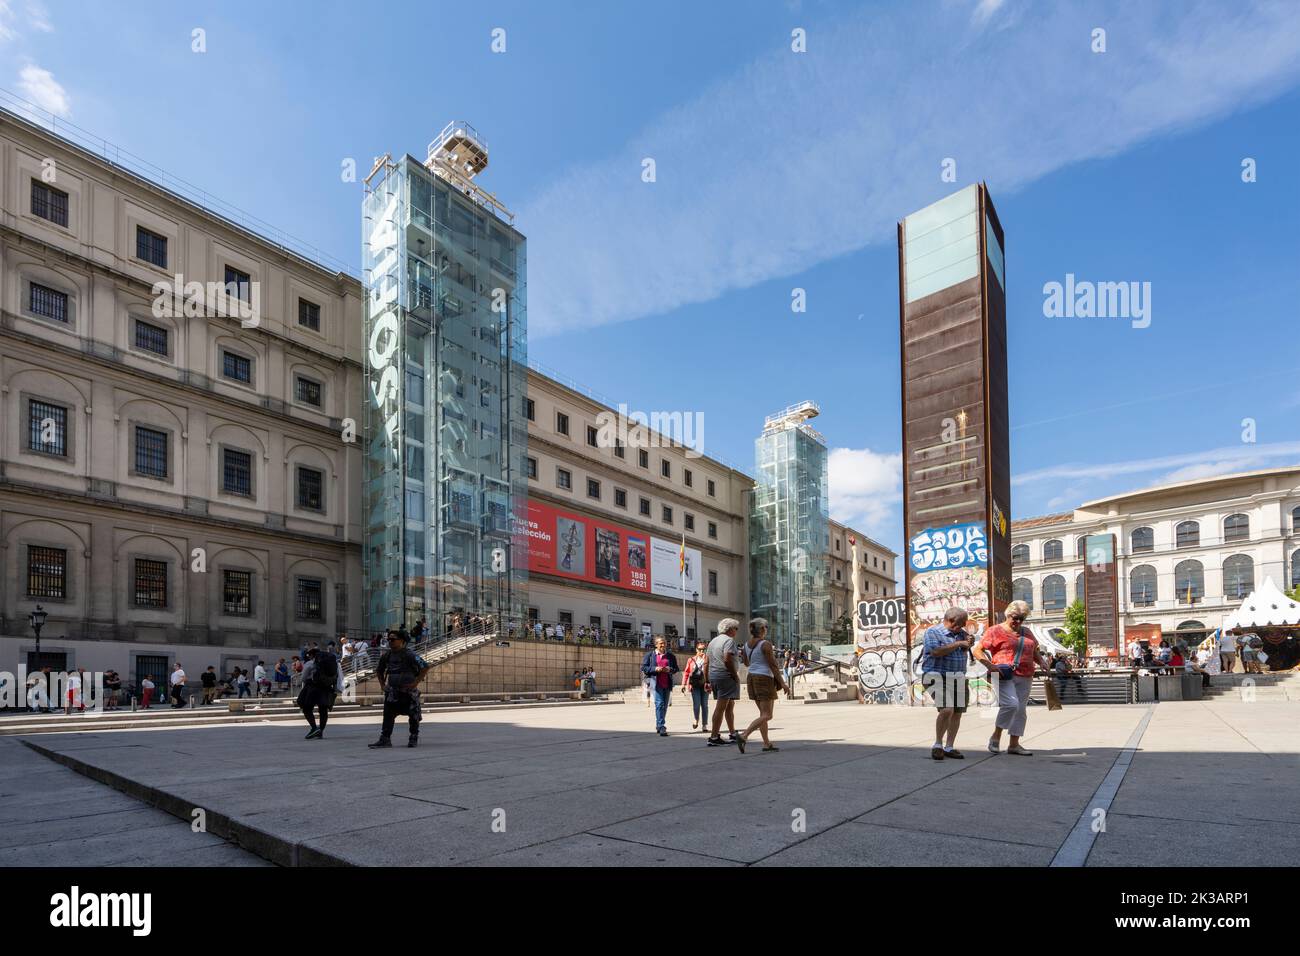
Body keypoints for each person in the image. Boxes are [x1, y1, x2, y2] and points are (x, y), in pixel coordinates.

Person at [973, 601, 1049, 756]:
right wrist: (989, 665)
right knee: (1011, 705)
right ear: (1007, 614)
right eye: (1015, 618)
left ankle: (1014, 744)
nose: (1018, 622)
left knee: (1020, 710)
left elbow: (1033, 650)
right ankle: (996, 736)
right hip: (1003, 674)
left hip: (1026, 674)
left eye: (1022, 618)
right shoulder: (995, 631)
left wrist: (1041, 661)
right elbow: (977, 650)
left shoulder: (1027, 632)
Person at [919, 607, 973, 760]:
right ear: (950, 620)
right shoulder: (933, 632)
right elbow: (935, 652)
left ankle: (949, 747)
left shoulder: (961, 634)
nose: (962, 627)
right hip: (936, 675)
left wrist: (969, 642)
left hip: (958, 676)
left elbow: (965, 647)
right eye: (960, 623)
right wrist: (958, 644)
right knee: (947, 709)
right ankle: (937, 745)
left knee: (957, 712)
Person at [369, 631, 431, 748]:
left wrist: (415, 683)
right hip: (392, 692)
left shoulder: (410, 654)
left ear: (402, 641)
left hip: (408, 693)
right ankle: (385, 739)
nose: (390, 642)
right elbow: (379, 670)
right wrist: (382, 685)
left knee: (413, 715)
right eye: (389, 640)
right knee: (388, 715)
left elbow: (425, 666)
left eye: (393, 639)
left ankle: (413, 737)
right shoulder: (387, 655)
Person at [736, 618, 786, 754]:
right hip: (764, 678)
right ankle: (744, 735)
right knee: (767, 715)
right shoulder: (765, 644)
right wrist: (783, 683)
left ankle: (766, 743)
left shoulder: (747, 644)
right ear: (762, 629)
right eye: (766, 627)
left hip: (751, 677)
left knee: (763, 714)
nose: (767, 630)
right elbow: (773, 665)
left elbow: (746, 663)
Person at [705, 619, 743, 746]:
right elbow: (727, 660)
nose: (736, 631)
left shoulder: (713, 641)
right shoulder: (729, 641)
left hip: (714, 675)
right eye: (736, 628)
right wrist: (734, 675)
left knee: (729, 704)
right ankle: (714, 737)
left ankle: (732, 733)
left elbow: (706, 662)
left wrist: (706, 680)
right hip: (725, 676)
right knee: (721, 707)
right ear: (729, 629)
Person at [298, 646, 343, 739]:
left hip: (312, 688)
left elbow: (303, 678)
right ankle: (321, 731)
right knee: (323, 710)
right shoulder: (332, 663)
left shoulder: (310, 663)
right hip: (326, 688)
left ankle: (314, 728)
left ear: (311, 655)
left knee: (306, 708)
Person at [641, 636, 679, 736]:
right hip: (655, 683)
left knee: (665, 706)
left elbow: (676, 669)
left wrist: (669, 669)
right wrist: (655, 668)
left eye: (664, 643)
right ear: (656, 644)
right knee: (659, 704)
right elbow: (644, 668)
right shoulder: (650, 655)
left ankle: (659, 725)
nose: (663, 645)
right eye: (660, 643)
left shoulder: (670, 656)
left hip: (667, 683)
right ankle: (662, 726)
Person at [681, 641, 710, 731]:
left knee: (704, 705)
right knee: (696, 704)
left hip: (705, 685)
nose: (702, 651)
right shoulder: (691, 660)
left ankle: (704, 725)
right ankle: (696, 719)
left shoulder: (708, 659)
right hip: (694, 685)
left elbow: (711, 672)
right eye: (700, 649)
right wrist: (683, 684)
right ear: (696, 650)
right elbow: (686, 672)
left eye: (703, 649)